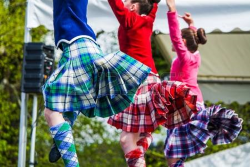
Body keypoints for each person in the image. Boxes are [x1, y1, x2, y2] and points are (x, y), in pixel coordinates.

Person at [43, 0, 153, 166]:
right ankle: (65, 130)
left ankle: (66, 145)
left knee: (52, 109)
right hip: (81, 47)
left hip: (77, 46)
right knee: (72, 97)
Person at [107, 0, 198, 166]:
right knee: (133, 138)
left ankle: (142, 146)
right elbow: (153, 6)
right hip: (151, 79)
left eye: (126, 1)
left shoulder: (130, 20)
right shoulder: (148, 21)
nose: (124, 2)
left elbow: (115, 4)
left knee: (127, 139)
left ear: (133, 7)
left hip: (138, 80)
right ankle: (144, 142)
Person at [164, 0, 243, 166]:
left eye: (178, 41)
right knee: (175, 154)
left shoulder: (185, 58)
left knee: (173, 154)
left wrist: (172, 10)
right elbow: (192, 41)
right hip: (193, 104)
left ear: (183, 43)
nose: (173, 42)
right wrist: (192, 25)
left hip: (185, 105)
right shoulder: (195, 56)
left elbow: (176, 37)